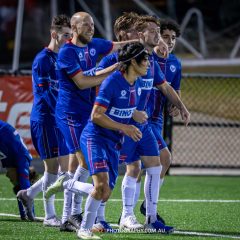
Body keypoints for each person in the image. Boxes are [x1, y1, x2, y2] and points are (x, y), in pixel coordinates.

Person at [77, 42, 148, 240]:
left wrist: (135, 114)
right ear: (133, 61)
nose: (149, 63)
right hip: (95, 137)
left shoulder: (138, 84)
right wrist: (125, 127)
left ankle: (69, 183)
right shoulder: (112, 82)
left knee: (105, 192)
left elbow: (121, 107)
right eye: (146, 59)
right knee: (100, 187)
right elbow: (96, 115)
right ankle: (84, 229)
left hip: (113, 142)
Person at [17, 14, 72, 229]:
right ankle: (50, 216)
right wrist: (63, 114)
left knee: (63, 172)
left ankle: (28, 194)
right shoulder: (42, 59)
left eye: (70, 35)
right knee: (52, 170)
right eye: (65, 35)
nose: (68, 39)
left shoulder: (64, 58)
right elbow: (46, 94)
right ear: (54, 34)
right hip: (46, 120)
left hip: (59, 120)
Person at [139, 18, 183, 221]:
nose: (169, 41)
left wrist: (176, 105)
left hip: (157, 119)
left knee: (153, 164)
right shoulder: (146, 57)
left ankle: (146, 208)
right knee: (163, 159)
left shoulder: (175, 63)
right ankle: (149, 211)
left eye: (173, 38)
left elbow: (174, 90)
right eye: (165, 36)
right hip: (142, 117)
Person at [0, 120, 37, 221]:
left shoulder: (11, 161)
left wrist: (23, 215)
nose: (8, 177)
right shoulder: (23, 161)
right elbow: (24, 191)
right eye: (12, 180)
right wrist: (30, 215)